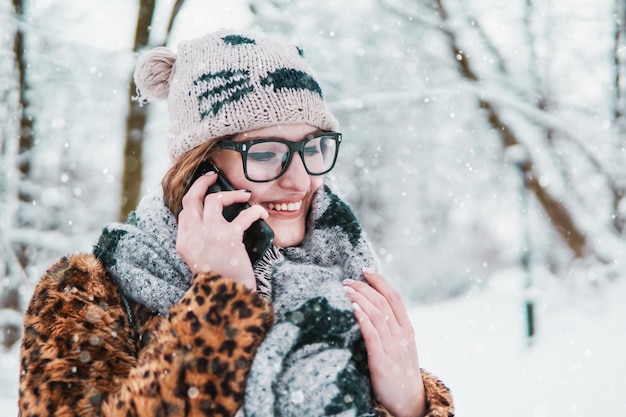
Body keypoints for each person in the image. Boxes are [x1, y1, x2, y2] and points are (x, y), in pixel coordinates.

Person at [18, 29, 454, 417]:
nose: (299, 180)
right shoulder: (84, 293)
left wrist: (412, 404)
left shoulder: (346, 283)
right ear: (199, 170)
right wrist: (220, 305)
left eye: (313, 147)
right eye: (265, 154)